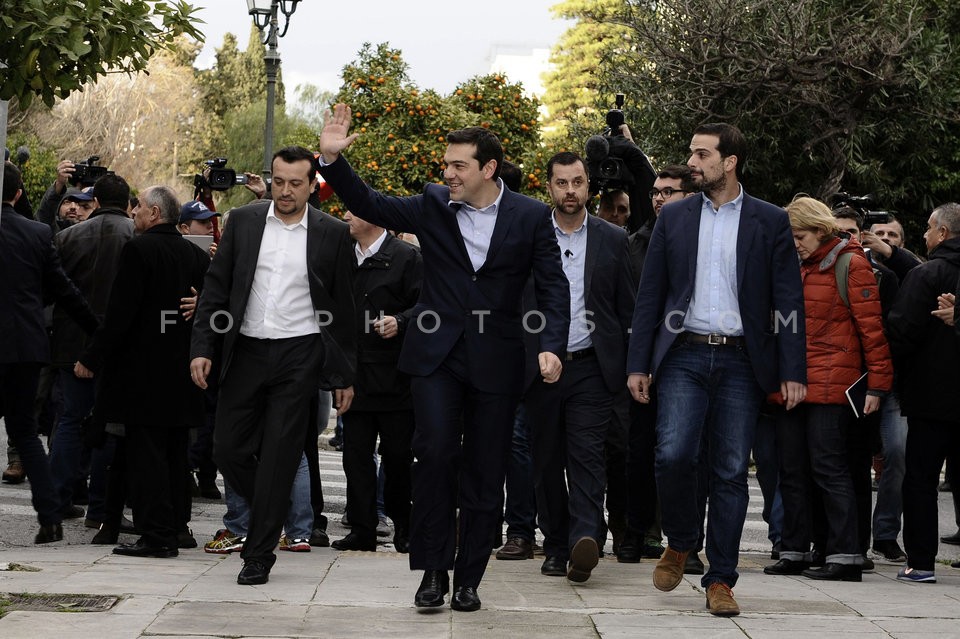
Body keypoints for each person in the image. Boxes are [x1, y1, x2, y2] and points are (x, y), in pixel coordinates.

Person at [317, 103, 570, 613]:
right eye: (446, 164)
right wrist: (332, 160)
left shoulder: (531, 215)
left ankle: (470, 576)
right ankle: (433, 569)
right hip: (436, 357)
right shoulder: (433, 203)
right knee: (432, 454)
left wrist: (550, 345)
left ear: (488, 169)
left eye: (458, 165)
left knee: (485, 467)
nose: (447, 173)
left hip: (498, 359)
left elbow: (553, 287)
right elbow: (373, 202)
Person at [626, 123, 807, 616]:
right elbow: (651, 296)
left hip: (742, 359)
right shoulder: (676, 216)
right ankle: (682, 538)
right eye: (691, 153)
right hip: (682, 351)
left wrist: (793, 368)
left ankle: (721, 579)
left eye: (702, 155)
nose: (692, 163)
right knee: (672, 454)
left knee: (730, 470)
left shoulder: (769, 220)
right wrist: (639, 362)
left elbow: (789, 298)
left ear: (729, 162)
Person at [190, 145, 356, 586]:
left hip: (299, 355)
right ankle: (271, 499)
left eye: (295, 183)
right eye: (278, 181)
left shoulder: (332, 233)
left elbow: (343, 310)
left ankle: (259, 555)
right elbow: (216, 288)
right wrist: (202, 346)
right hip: (244, 350)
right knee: (226, 448)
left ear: (310, 185)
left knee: (282, 455)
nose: (285, 191)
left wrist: (342, 375)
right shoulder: (243, 223)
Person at [74, 185, 209, 557]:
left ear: (153, 214)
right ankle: (177, 527)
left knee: (145, 455)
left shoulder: (138, 250)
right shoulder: (192, 255)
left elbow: (120, 315)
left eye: (138, 210)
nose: (133, 214)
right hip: (183, 374)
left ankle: (156, 535)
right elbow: (213, 304)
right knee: (175, 454)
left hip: (143, 376)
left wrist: (91, 357)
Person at [763, 197, 891, 583]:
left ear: (820, 230)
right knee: (792, 470)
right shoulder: (792, 264)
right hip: (791, 382)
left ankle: (846, 553)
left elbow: (873, 330)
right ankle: (796, 549)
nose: (794, 243)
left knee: (829, 470)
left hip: (833, 385)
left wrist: (878, 387)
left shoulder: (851, 264)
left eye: (799, 235)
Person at [526, 151, 635, 583]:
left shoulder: (612, 238)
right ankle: (555, 544)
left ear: (588, 186)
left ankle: (584, 540)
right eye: (561, 183)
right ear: (548, 186)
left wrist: (631, 365)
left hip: (592, 366)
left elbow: (627, 307)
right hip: (540, 367)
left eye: (577, 182)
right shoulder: (531, 232)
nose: (570, 191)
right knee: (547, 460)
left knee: (588, 457)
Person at [0, 161, 99, 544]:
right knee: (25, 433)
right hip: (26, 345)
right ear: (19, 194)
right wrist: (97, 331)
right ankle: (50, 517)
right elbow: (64, 290)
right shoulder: (38, 233)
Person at [331, 211, 422, 553]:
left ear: (375, 218)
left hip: (396, 377)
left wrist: (401, 321)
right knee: (355, 456)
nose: (345, 216)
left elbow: (429, 306)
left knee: (398, 457)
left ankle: (405, 527)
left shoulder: (406, 257)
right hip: (352, 376)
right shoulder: (341, 254)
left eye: (353, 212)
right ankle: (362, 529)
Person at [48, 174, 135, 527]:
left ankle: (57, 498)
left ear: (95, 201)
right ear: (128, 203)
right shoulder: (136, 236)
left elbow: (51, 289)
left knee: (69, 420)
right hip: (119, 345)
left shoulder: (66, 237)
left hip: (72, 341)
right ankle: (101, 507)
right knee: (111, 425)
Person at [886, 203, 960, 583]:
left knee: (920, 479)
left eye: (929, 229)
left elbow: (901, 332)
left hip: (931, 397)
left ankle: (921, 562)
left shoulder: (927, 274)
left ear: (944, 233)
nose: (926, 235)